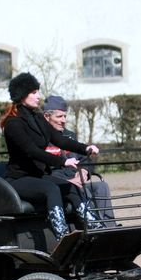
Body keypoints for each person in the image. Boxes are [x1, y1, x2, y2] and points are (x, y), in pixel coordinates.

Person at [0, 72, 100, 242]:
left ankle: (95, 228)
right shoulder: (13, 123)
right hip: (19, 179)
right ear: (22, 95)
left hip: (39, 176)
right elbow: (32, 151)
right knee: (51, 189)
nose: (38, 96)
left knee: (71, 187)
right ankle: (62, 236)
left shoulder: (37, 118)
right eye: (34, 92)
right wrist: (63, 161)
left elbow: (60, 140)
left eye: (38, 91)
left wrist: (85, 148)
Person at [42, 95, 116, 228]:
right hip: (57, 186)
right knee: (83, 191)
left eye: (65, 116)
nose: (64, 120)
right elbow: (41, 172)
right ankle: (94, 229)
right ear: (47, 117)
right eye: (59, 116)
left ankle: (110, 228)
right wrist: (68, 182)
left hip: (77, 181)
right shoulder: (40, 139)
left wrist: (84, 172)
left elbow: (85, 160)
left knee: (101, 187)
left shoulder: (70, 136)